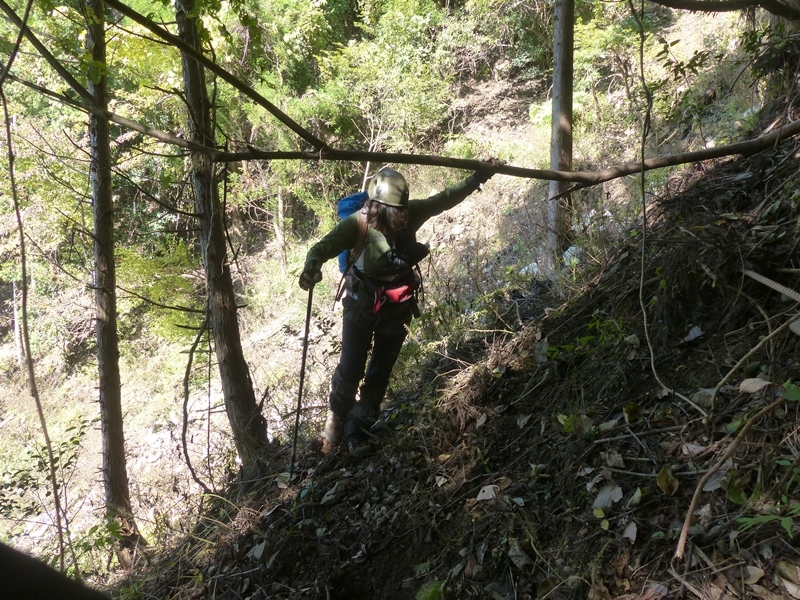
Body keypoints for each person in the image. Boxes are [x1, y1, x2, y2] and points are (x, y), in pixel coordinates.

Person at [299, 166, 494, 457]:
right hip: (360, 306)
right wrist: (310, 268)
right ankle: (334, 426)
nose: (399, 218)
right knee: (350, 368)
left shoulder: (411, 212)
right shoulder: (356, 224)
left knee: (380, 371)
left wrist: (478, 178)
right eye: (394, 211)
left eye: (401, 211)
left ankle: (358, 429)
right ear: (376, 206)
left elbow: (444, 199)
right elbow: (321, 248)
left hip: (397, 306)